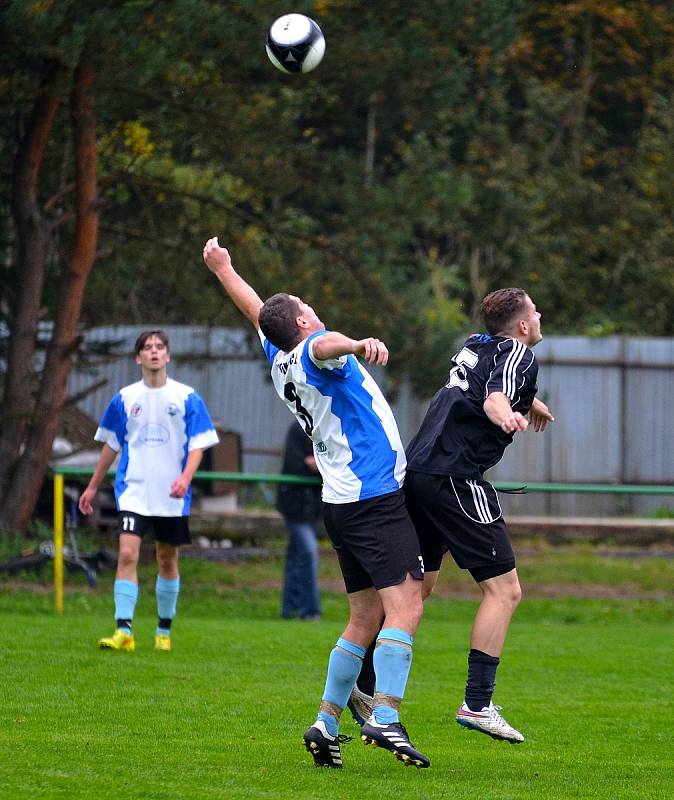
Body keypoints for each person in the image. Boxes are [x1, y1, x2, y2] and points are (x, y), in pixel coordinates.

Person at [202, 237, 429, 770]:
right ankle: (386, 715)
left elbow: (257, 310)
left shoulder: (279, 353)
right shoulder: (312, 349)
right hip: (373, 498)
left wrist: (224, 268)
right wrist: (356, 344)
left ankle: (326, 721)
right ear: (304, 322)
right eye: (309, 310)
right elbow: (324, 347)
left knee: (363, 617)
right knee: (407, 605)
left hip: (340, 502)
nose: (315, 313)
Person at [403, 287, 554, 744]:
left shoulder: (475, 343)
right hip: (455, 476)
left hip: (419, 472)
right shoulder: (519, 354)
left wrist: (528, 404)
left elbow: (476, 386)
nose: (540, 314)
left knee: (417, 589)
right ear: (524, 325)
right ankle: (478, 703)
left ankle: (363, 683)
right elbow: (492, 397)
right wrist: (508, 413)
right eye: (534, 310)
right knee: (505, 591)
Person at [78, 329, 219, 653]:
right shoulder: (125, 399)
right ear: (138, 357)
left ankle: (163, 630)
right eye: (147, 347)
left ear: (168, 356)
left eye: (159, 347)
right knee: (127, 553)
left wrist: (185, 478)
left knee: (167, 558)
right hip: (134, 491)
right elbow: (111, 446)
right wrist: (92, 486)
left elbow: (198, 445)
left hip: (171, 496)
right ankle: (123, 630)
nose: (154, 352)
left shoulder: (186, 397)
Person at [277, 420, 323, 621]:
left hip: (313, 506)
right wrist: (319, 465)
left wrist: (318, 464)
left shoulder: (323, 428)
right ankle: (310, 610)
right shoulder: (297, 429)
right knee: (308, 551)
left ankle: (290, 609)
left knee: (296, 556)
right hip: (295, 505)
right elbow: (296, 464)